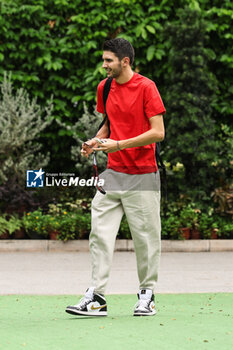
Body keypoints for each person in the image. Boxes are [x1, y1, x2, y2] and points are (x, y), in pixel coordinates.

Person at [66, 38, 165, 317]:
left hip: (143, 175)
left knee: (146, 240)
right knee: (99, 235)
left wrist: (120, 144)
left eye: (108, 60)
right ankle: (96, 297)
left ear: (125, 61)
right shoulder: (105, 86)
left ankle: (147, 295)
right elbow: (109, 124)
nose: (104, 65)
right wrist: (95, 141)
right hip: (112, 175)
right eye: (103, 59)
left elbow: (158, 132)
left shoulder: (147, 87)